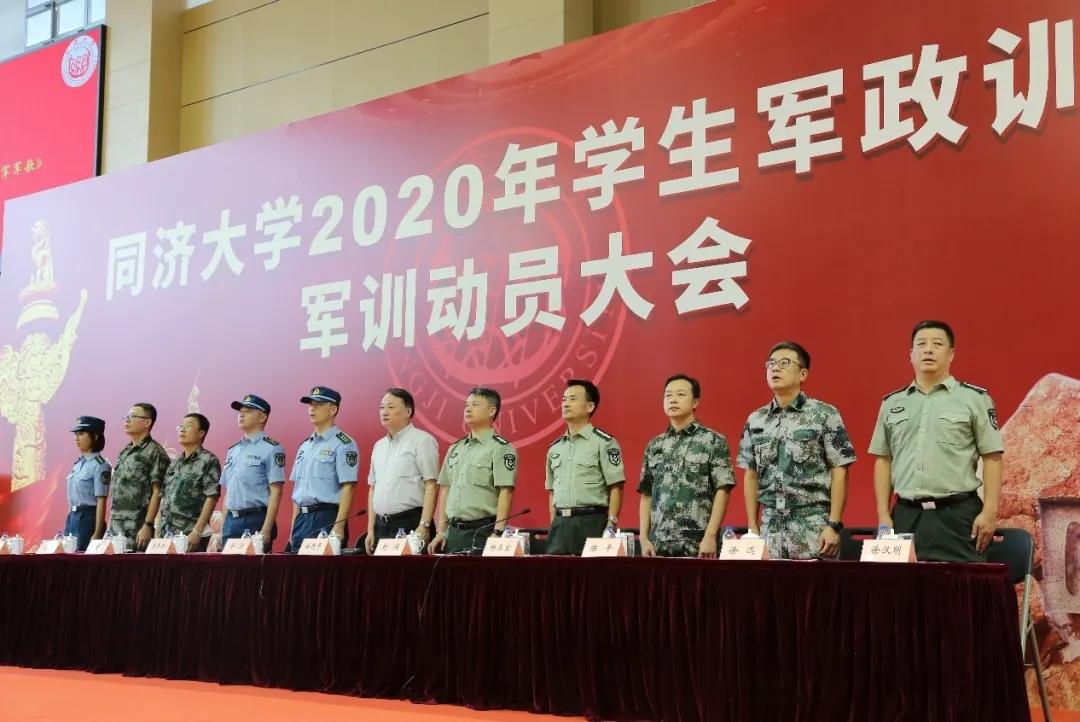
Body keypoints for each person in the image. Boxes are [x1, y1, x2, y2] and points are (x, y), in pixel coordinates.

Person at [870, 320, 1004, 562]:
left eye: (937, 344)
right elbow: (883, 460)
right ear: (911, 354)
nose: (928, 350)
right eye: (921, 344)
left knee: (961, 584)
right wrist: (883, 515)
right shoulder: (892, 403)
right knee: (900, 584)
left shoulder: (974, 399)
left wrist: (990, 512)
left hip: (957, 515)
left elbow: (992, 456)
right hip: (905, 515)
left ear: (951, 354)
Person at [737, 342, 856, 559]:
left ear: (803, 374)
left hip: (813, 525)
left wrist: (834, 525)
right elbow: (751, 474)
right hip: (770, 526)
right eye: (771, 363)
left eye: (784, 363)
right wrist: (752, 526)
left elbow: (840, 470)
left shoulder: (824, 414)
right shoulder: (756, 419)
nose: (775, 368)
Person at [638, 374, 735, 558]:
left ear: (695, 402)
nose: (673, 399)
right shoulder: (655, 445)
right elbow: (646, 494)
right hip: (658, 545)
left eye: (680, 394)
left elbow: (723, 491)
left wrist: (710, 536)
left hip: (698, 545)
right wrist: (643, 538)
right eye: (668, 395)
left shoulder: (713, 440)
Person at [428, 387, 517, 554]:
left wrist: (498, 532)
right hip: (453, 533)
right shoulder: (455, 448)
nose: (468, 409)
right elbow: (445, 490)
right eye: (466, 405)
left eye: (475, 405)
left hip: (483, 532)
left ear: (492, 411)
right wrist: (441, 531)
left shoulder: (501, 448)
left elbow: (506, 492)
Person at [544, 379, 624, 555]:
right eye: (564, 399)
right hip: (560, 525)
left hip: (591, 522)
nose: (565, 404)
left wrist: (611, 524)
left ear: (589, 406)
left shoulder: (604, 443)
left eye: (572, 399)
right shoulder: (554, 448)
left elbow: (616, 487)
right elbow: (552, 492)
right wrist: (553, 522)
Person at [364, 388, 439, 554]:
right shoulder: (379, 446)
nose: (384, 412)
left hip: (410, 523)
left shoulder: (422, 440)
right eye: (382, 407)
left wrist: (424, 526)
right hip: (381, 526)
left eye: (390, 407)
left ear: (408, 411)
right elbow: (373, 488)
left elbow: (432, 485)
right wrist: (370, 529)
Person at [288, 386, 359, 551]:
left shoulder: (344, 443)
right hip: (301, 519)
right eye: (310, 405)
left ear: (333, 409)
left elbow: (349, 487)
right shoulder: (304, 446)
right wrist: (293, 526)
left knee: (321, 566)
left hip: (326, 518)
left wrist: (339, 526)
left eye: (318, 405)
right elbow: (298, 489)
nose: (312, 409)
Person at [220, 394, 284, 544]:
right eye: (240, 411)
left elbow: (276, 491)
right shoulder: (233, 450)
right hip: (231, 521)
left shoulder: (272, 448)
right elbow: (229, 492)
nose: (241, 414)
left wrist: (266, 529)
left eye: (248, 411)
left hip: (255, 520)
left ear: (262, 417)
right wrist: (222, 527)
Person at [110, 403, 170, 550]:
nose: (127, 420)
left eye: (133, 416)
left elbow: (157, 491)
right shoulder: (125, 451)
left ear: (147, 423)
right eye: (127, 416)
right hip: (115, 526)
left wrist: (148, 525)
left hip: (137, 526)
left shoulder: (155, 452)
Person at [159, 413, 221, 552]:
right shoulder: (174, 464)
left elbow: (212, 497)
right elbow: (164, 499)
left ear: (201, 433)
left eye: (188, 426)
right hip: (166, 534)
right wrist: (157, 533)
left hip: (189, 534)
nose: (182, 430)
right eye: (181, 426)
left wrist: (197, 531)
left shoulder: (208, 460)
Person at [63, 416, 111, 551]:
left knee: (82, 556)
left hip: (88, 519)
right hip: (72, 518)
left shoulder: (100, 465)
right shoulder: (78, 464)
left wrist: (97, 533)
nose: (76, 438)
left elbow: (101, 500)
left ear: (95, 436)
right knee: (67, 555)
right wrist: (69, 520)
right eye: (76, 434)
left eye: (81, 434)